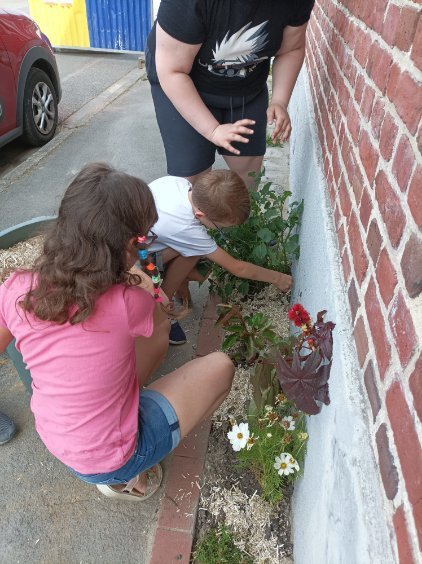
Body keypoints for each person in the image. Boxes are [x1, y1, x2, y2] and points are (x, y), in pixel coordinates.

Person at [0, 163, 234, 500]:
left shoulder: (18, 288)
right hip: (113, 458)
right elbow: (161, 322)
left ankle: (119, 439)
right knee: (221, 366)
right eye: (142, 239)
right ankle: (129, 477)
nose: (146, 245)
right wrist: (144, 278)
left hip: (56, 438)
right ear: (126, 244)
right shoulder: (129, 301)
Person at [145, 0, 315, 187]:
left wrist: (280, 101)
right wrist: (213, 130)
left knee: (247, 174)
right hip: (184, 82)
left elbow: (292, 48)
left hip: (246, 85)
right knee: (192, 177)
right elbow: (172, 72)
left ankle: (239, 216)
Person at [148, 169, 292, 344]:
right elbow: (238, 267)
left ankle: (173, 290)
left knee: (195, 250)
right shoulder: (187, 229)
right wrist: (279, 278)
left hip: (146, 238)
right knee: (197, 258)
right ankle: (163, 306)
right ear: (201, 215)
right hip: (138, 258)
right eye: (222, 227)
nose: (224, 231)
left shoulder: (178, 183)